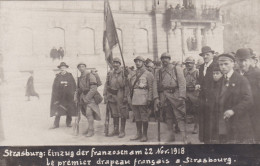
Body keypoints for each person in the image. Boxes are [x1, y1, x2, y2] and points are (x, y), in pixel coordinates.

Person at [216, 53, 254, 143]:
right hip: (223, 123)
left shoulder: (241, 79)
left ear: (233, 64)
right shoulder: (220, 81)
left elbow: (248, 100)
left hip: (238, 122)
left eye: (226, 64)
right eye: (221, 65)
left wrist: (233, 110)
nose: (223, 67)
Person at [153, 52, 186, 142]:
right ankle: (171, 136)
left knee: (180, 116)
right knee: (168, 117)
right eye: (163, 58)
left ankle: (184, 137)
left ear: (169, 59)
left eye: (166, 58)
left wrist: (182, 96)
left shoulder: (176, 69)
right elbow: (155, 85)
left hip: (176, 95)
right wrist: (156, 98)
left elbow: (182, 83)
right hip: (164, 96)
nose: (164, 60)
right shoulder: (158, 71)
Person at [235, 48, 260, 143]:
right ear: (236, 61)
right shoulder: (235, 75)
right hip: (241, 113)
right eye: (240, 60)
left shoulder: (257, 74)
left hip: (256, 112)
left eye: (245, 60)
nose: (243, 63)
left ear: (250, 60)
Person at [128, 56, 154, 142]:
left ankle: (144, 135)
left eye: (139, 61)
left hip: (143, 97)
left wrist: (150, 98)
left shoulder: (148, 73)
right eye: (136, 61)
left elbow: (151, 87)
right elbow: (130, 85)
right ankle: (138, 133)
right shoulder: (133, 73)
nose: (137, 63)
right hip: (134, 97)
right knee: (137, 117)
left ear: (143, 62)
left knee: (144, 117)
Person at [103, 58, 128, 138]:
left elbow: (127, 86)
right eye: (114, 63)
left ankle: (122, 130)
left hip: (120, 94)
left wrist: (126, 96)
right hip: (111, 95)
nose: (115, 64)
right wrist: (105, 94)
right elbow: (106, 84)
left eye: (117, 63)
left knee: (122, 113)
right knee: (114, 114)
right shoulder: (110, 73)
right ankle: (116, 130)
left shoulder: (124, 73)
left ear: (120, 64)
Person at [75, 62, 101, 137]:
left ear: (85, 67)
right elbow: (78, 88)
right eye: (79, 67)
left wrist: (87, 98)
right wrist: (76, 96)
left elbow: (93, 89)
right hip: (82, 98)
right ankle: (90, 127)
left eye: (83, 66)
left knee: (89, 113)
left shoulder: (90, 75)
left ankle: (91, 130)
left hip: (90, 98)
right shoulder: (80, 77)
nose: (81, 68)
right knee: (85, 113)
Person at [197, 46, 216, 143]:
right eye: (203, 55)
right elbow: (200, 80)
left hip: (212, 98)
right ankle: (204, 140)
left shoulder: (216, 66)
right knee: (203, 118)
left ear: (212, 55)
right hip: (202, 98)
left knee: (211, 119)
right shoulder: (201, 67)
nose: (205, 56)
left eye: (207, 54)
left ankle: (211, 140)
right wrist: (198, 84)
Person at [50, 62, 76, 129]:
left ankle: (68, 123)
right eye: (61, 68)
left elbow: (74, 85)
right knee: (58, 110)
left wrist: (72, 93)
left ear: (66, 68)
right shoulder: (58, 77)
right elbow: (54, 87)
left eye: (64, 68)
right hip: (60, 97)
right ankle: (56, 124)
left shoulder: (70, 76)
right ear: (59, 69)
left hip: (68, 97)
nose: (62, 69)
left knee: (69, 110)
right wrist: (56, 97)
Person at [183, 56, 199, 134]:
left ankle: (196, 126)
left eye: (190, 63)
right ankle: (181, 126)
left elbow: (200, 83)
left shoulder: (197, 72)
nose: (188, 65)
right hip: (186, 92)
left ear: (193, 64)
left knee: (196, 111)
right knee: (183, 109)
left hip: (194, 93)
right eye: (187, 63)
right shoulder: (184, 72)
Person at [208, 63, 223, 143]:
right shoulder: (213, 84)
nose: (215, 75)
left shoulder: (222, 84)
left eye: (217, 73)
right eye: (213, 74)